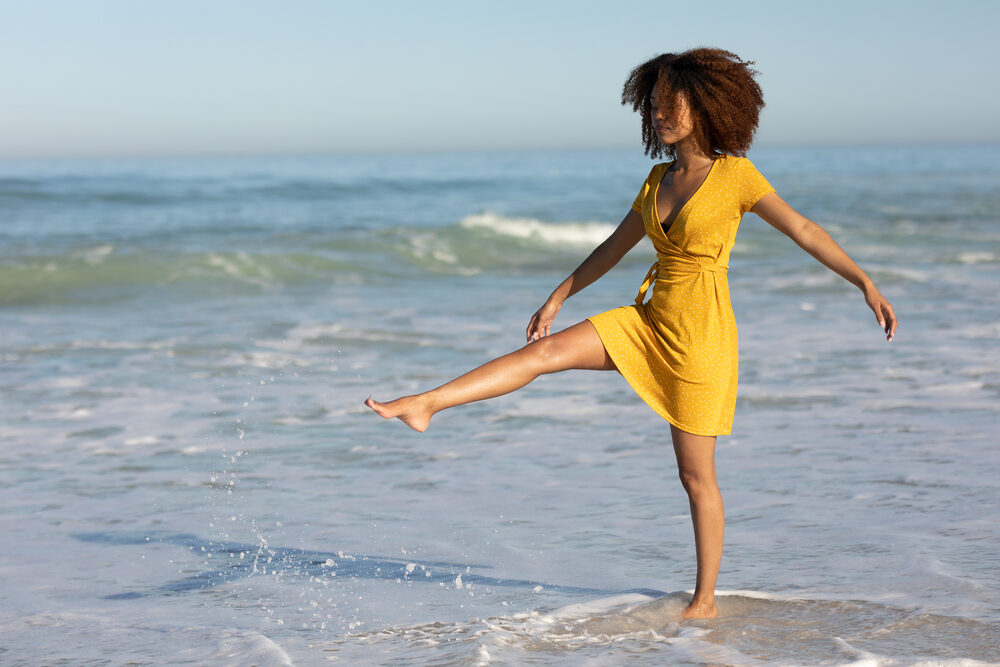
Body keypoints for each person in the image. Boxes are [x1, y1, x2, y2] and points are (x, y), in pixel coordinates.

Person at [365, 48, 898, 619]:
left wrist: (863, 281)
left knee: (695, 476)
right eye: (655, 106)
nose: (660, 115)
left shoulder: (735, 175)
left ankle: (705, 601)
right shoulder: (656, 181)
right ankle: (426, 403)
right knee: (545, 351)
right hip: (648, 320)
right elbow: (613, 250)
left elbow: (804, 229)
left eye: (671, 105)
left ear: (705, 107)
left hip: (701, 338)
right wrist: (559, 293)